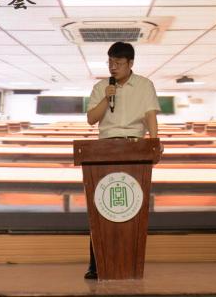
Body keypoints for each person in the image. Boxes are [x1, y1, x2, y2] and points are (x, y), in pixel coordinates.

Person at [82, 41, 161, 279]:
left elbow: (150, 115)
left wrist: (154, 143)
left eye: (118, 63)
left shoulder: (145, 85)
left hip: (134, 146)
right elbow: (91, 119)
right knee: (101, 206)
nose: (113, 67)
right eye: (110, 62)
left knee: (132, 207)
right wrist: (106, 98)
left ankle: (130, 262)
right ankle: (97, 265)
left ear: (130, 63)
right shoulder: (101, 87)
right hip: (105, 148)